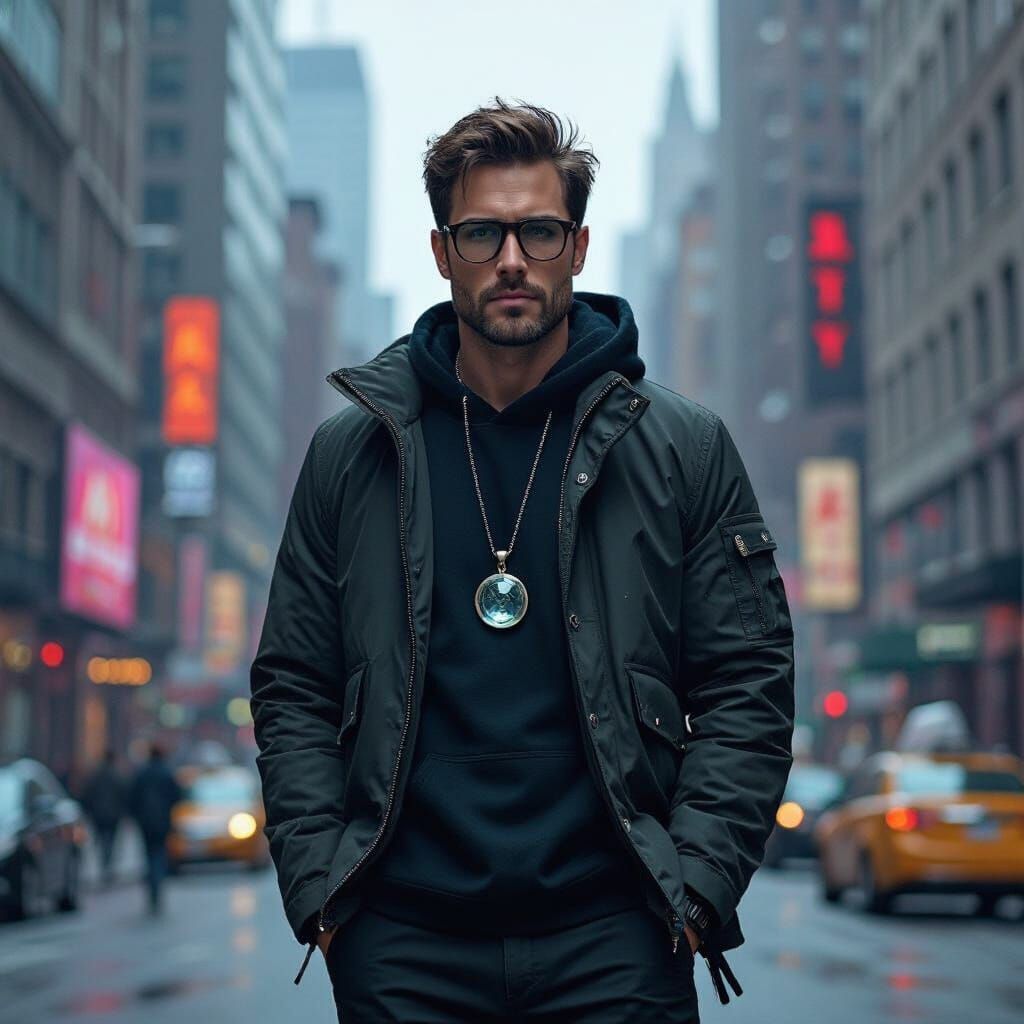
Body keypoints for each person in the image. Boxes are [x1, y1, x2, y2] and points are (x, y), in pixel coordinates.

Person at [251, 99, 795, 1022]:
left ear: (578, 250)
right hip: (403, 944)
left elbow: (749, 679)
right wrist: (325, 895)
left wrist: (694, 889)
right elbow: (295, 684)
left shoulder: (681, 446)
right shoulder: (354, 452)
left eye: (539, 231)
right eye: (482, 232)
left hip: (616, 938)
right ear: (440, 251)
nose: (512, 260)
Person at [127, 742, 183, 915]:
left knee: (149, 854)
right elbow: (177, 796)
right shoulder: (167, 773)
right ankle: (156, 886)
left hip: (145, 822)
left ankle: (153, 886)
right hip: (162, 822)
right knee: (158, 854)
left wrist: (136, 816)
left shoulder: (142, 774)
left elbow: (132, 796)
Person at [81, 749, 126, 886]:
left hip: (98, 815)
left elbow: (88, 793)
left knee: (101, 840)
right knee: (110, 841)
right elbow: (123, 794)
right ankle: (107, 866)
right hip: (113, 815)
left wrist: (89, 810)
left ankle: (104, 865)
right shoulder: (117, 775)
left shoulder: (96, 775)